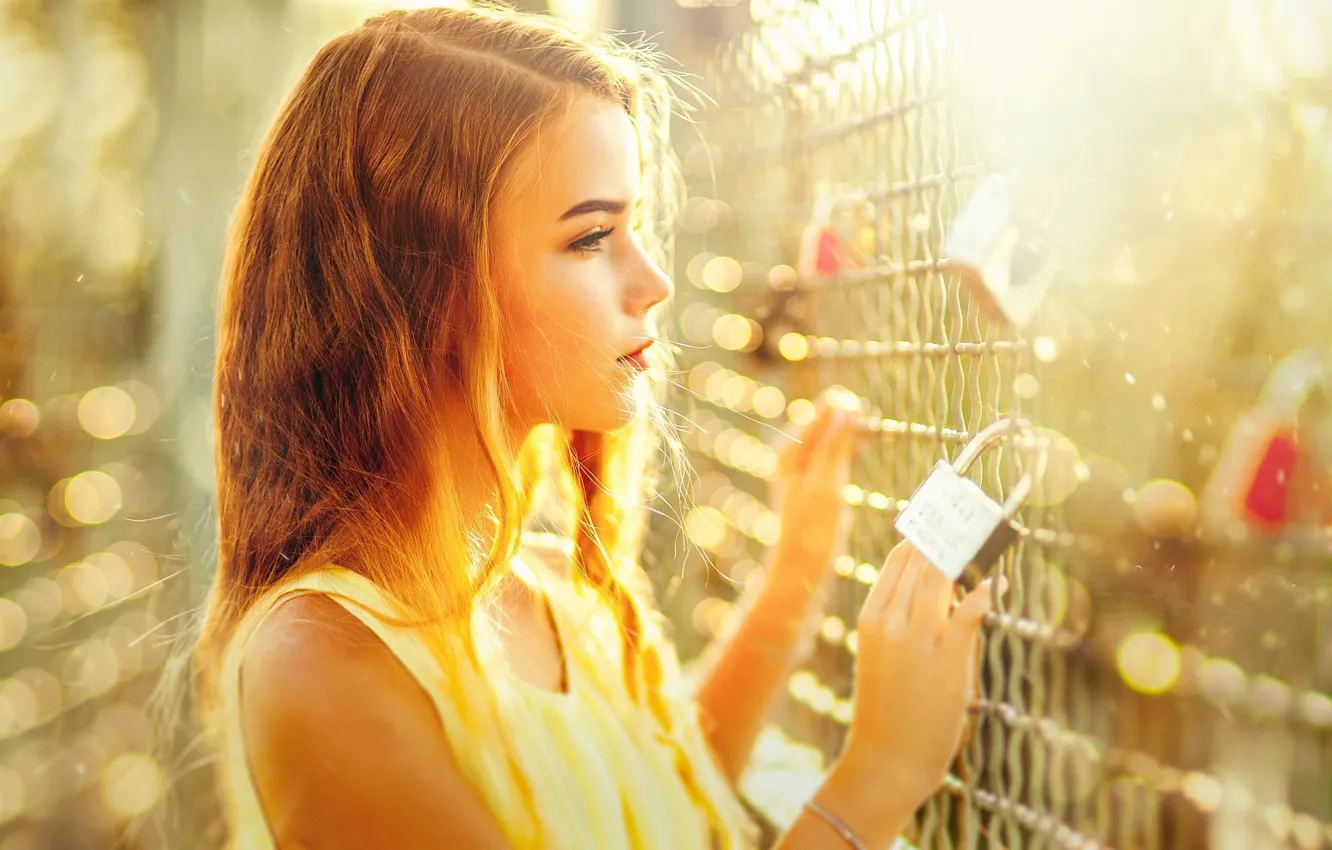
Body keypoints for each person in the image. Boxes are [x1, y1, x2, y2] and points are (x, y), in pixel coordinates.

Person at [195, 5, 1002, 849]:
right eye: (591, 237)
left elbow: (651, 800)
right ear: (425, 289)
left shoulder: (554, 590)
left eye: (637, 225)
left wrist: (795, 576)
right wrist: (877, 778)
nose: (653, 279)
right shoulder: (324, 669)